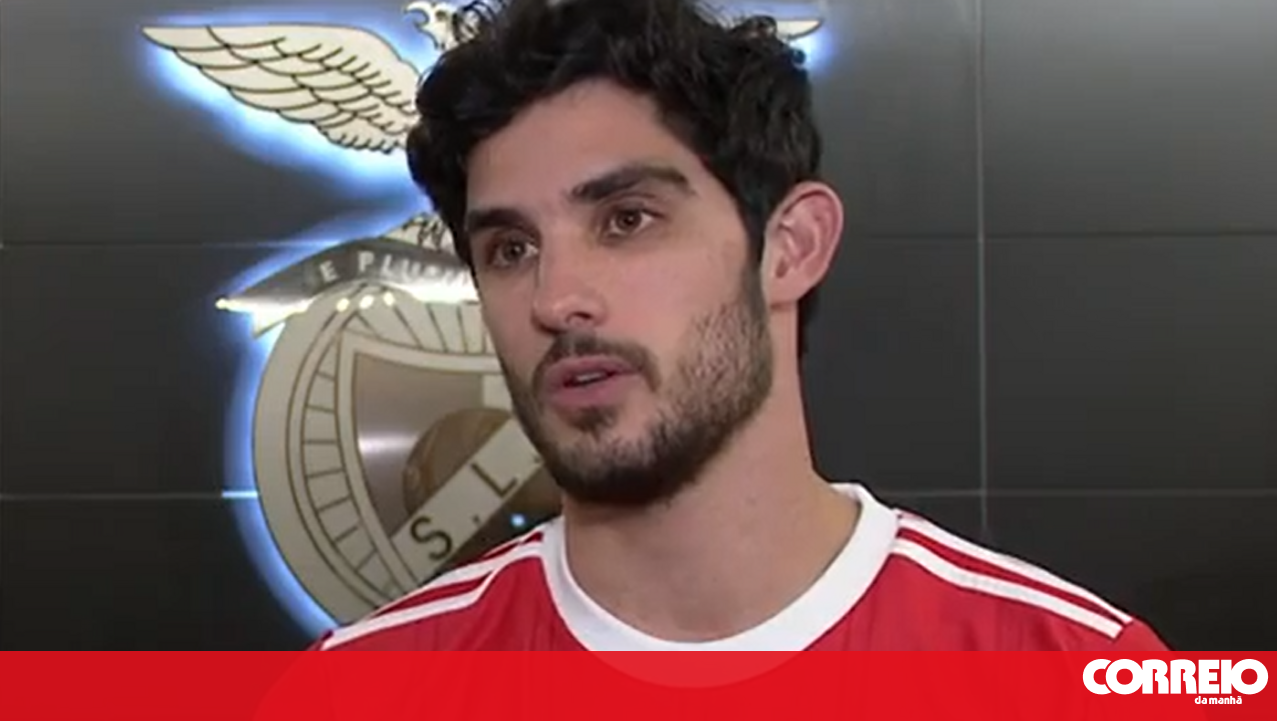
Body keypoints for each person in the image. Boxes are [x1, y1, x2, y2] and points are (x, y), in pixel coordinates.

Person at [311, 0, 1169, 652]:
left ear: (791, 249)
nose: (555, 298)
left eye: (627, 220)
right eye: (510, 248)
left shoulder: (1074, 668)